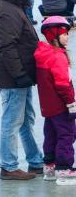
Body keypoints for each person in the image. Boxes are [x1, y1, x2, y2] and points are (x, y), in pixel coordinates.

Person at [0, 0, 44, 180]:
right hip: (13, 79)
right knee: (12, 121)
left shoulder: (14, 7)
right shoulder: (6, 12)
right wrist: (19, 74)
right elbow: (7, 48)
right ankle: (9, 166)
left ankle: (35, 160)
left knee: (25, 119)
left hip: (21, 77)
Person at [35, 16, 76, 185]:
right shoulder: (57, 57)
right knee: (66, 135)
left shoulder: (43, 53)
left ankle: (50, 167)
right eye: (65, 34)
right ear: (54, 36)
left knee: (51, 135)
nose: (68, 37)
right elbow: (62, 84)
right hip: (61, 105)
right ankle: (64, 170)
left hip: (48, 106)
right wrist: (71, 103)